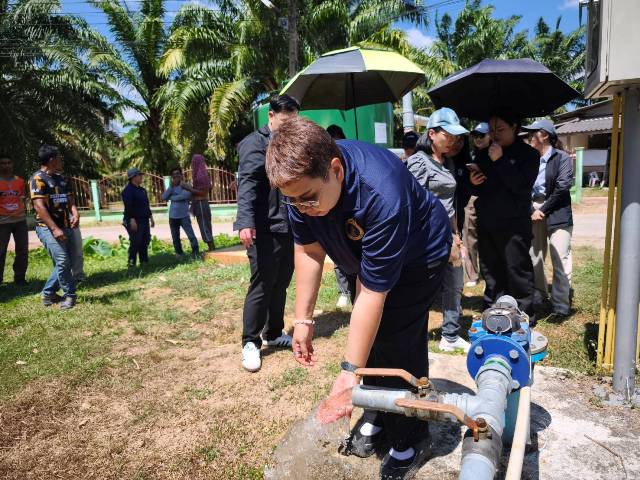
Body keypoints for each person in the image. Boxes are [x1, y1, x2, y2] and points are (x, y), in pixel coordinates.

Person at [266, 117, 451, 480]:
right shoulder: (302, 189)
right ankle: (378, 411)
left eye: (308, 199)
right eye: (293, 202)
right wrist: (302, 319)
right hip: (363, 259)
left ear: (335, 170)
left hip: (419, 257)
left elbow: (373, 293)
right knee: (371, 340)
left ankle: (411, 438)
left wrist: (348, 373)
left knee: (396, 341)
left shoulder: (381, 192)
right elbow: (309, 252)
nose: (302, 208)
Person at [235, 94, 300, 372]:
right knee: (262, 283)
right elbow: (248, 184)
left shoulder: (290, 143)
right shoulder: (254, 144)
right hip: (263, 227)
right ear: (271, 116)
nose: (289, 127)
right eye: (285, 121)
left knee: (281, 281)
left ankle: (273, 332)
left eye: (293, 122)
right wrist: (245, 222)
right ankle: (250, 342)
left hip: (288, 224)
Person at [406, 108, 471, 353]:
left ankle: (450, 335)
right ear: (431, 134)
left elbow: (450, 204)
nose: (453, 140)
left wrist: (456, 234)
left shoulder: (448, 162)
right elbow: (412, 203)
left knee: (455, 284)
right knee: (422, 290)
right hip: (427, 238)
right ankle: (413, 336)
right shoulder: (418, 162)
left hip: (449, 236)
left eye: (456, 136)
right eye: (448, 134)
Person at [469, 112, 540, 325]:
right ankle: (493, 311)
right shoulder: (483, 154)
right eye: (491, 130)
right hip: (487, 221)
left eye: (500, 130)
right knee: (490, 270)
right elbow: (481, 189)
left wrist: (500, 161)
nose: (494, 135)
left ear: (514, 127)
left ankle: (524, 315)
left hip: (514, 224)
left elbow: (521, 186)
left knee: (517, 268)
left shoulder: (529, 155)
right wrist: (474, 182)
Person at [522, 119, 573, 317]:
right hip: (533, 210)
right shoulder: (529, 159)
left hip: (557, 210)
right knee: (535, 257)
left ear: (544, 135)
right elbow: (522, 186)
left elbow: (562, 187)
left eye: (532, 134)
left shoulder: (562, 157)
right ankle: (540, 296)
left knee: (560, 257)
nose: (529, 137)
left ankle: (560, 306)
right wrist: (531, 209)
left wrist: (542, 209)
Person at [30, 145, 78, 309]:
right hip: (47, 227)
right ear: (52, 160)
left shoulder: (60, 178)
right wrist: (55, 229)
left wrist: (75, 212)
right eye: (59, 158)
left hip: (65, 224)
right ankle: (70, 295)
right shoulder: (37, 179)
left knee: (68, 261)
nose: (61, 160)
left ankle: (48, 293)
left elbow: (69, 199)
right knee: (63, 260)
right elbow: (39, 207)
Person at [326, 124, 356, 310]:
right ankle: (344, 292)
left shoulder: (351, 162)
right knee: (339, 257)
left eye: (339, 140)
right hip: (333, 217)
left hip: (351, 216)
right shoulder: (322, 164)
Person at [463, 123, 491, 287]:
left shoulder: (496, 153)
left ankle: (489, 272)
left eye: (482, 135)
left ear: (490, 136)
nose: (478, 139)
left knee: (488, 239)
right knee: (469, 238)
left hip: (491, 202)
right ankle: (472, 275)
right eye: (475, 136)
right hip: (473, 199)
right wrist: (472, 181)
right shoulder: (471, 155)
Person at [0, 155, 28, 287]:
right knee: (1, 251)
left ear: (12, 164)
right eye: (3, 163)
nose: (6, 165)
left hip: (20, 221)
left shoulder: (20, 181)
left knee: (22, 250)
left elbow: (23, 198)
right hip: (2, 223)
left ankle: (20, 279)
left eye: (8, 162)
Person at [162, 167, 200, 259]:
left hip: (184, 216)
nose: (176, 176)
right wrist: (171, 189)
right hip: (173, 216)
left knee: (191, 235)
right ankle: (179, 254)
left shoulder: (186, 185)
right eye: (174, 175)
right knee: (175, 237)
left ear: (181, 175)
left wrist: (171, 197)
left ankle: (195, 253)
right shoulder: (171, 187)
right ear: (172, 177)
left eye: (178, 174)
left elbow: (185, 196)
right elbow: (163, 197)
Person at [122, 168, 154, 267]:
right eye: (139, 175)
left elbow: (146, 205)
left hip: (144, 219)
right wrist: (132, 220)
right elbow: (128, 206)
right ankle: (131, 262)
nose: (141, 177)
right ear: (133, 177)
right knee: (136, 241)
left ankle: (144, 261)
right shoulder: (128, 190)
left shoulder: (142, 190)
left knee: (145, 240)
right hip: (134, 220)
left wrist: (151, 217)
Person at [189, 154, 215, 251]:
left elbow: (203, 192)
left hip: (200, 203)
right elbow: (209, 187)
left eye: (193, 162)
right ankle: (211, 246)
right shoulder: (203, 174)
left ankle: (211, 247)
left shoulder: (199, 176)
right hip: (203, 202)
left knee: (204, 226)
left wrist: (189, 189)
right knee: (206, 225)